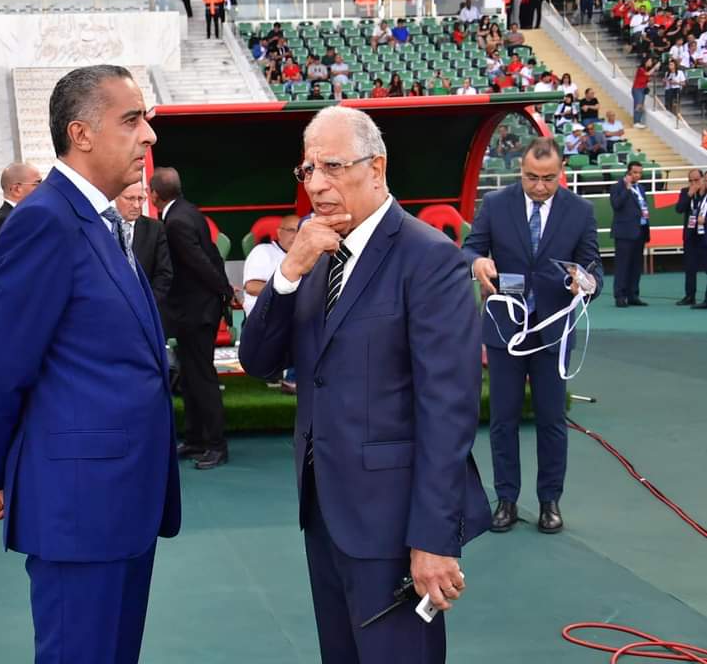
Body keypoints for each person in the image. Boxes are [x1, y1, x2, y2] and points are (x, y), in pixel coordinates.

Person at [239, 106, 490, 664]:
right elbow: (258, 360)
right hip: (323, 512)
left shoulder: (429, 258)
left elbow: (447, 411)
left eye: (332, 166)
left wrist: (433, 538)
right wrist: (288, 272)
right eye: (308, 170)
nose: (317, 184)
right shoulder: (316, 256)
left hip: (395, 524)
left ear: (376, 168)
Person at [0, 65, 180, 664]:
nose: (148, 135)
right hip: (80, 506)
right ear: (80, 134)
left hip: (121, 500)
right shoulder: (45, 220)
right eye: (131, 120)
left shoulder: (102, 221)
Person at [464, 137, 602, 535]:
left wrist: (586, 282)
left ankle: (549, 502)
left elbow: (593, 266)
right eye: (531, 178)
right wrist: (478, 264)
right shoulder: (495, 204)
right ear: (519, 171)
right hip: (505, 329)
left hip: (554, 331)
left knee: (552, 419)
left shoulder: (580, 211)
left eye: (548, 178)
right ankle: (506, 500)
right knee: (503, 419)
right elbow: (469, 249)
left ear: (561, 172)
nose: (539, 186)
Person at [149, 167, 233, 470]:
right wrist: (223, 292)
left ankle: (215, 445)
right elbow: (211, 256)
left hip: (196, 313)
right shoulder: (188, 211)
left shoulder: (176, 221)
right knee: (190, 378)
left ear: (154, 195)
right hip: (195, 310)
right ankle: (197, 439)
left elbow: (199, 263)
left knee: (202, 379)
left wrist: (224, 291)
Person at [0, 161, 42, 286]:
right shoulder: (4, 220)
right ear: (17, 189)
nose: (43, 188)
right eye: (37, 183)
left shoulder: (26, 216)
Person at [115, 182, 173, 309]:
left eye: (140, 199)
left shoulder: (155, 229)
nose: (136, 205)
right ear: (116, 197)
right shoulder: (103, 227)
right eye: (130, 198)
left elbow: (164, 274)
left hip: (147, 307)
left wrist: (148, 304)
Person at [610, 161, 650, 307]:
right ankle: (620, 296)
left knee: (636, 265)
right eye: (635, 173)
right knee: (623, 265)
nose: (638, 175)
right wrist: (626, 190)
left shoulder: (641, 188)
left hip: (640, 230)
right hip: (624, 232)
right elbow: (616, 205)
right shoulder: (617, 187)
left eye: (640, 173)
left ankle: (633, 295)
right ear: (628, 172)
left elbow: (642, 206)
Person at [242, 215, 298, 316]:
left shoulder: (310, 255)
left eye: (300, 231)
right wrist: (290, 292)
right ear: (279, 233)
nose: (296, 235)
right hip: (266, 315)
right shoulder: (263, 251)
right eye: (291, 230)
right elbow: (252, 287)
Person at [676, 169, 707, 307]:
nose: (694, 183)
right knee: (690, 267)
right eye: (691, 180)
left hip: (704, 235)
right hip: (690, 235)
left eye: (696, 180)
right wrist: (689, 194)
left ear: (703, 179)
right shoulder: (685, 192)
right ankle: (689, 296)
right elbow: (679, 209)